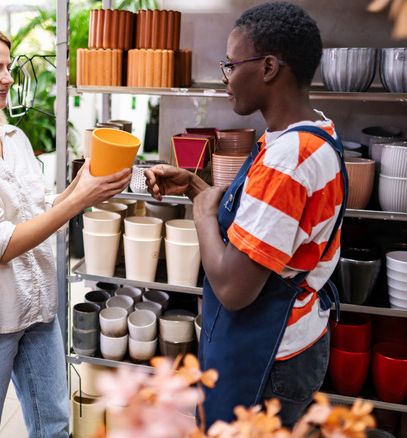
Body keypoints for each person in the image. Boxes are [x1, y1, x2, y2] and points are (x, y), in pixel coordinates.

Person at [0, 23, 130, 437]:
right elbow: (2, 242)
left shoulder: (13, 138)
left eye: (9, 67)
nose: (9, 78)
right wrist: (78, 200)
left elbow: (36, 211)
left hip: (37, 309)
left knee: (54, 425)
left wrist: (85, 182)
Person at [145, 2, 347, 428]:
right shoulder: (312, 135)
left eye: (230, 65)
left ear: (269, 67)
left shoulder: (288, 160)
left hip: (269, 360)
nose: (226, 80)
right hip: (292, 344)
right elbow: (265, 228)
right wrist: (196, 186)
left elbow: (234, 288)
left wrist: (202, 214)